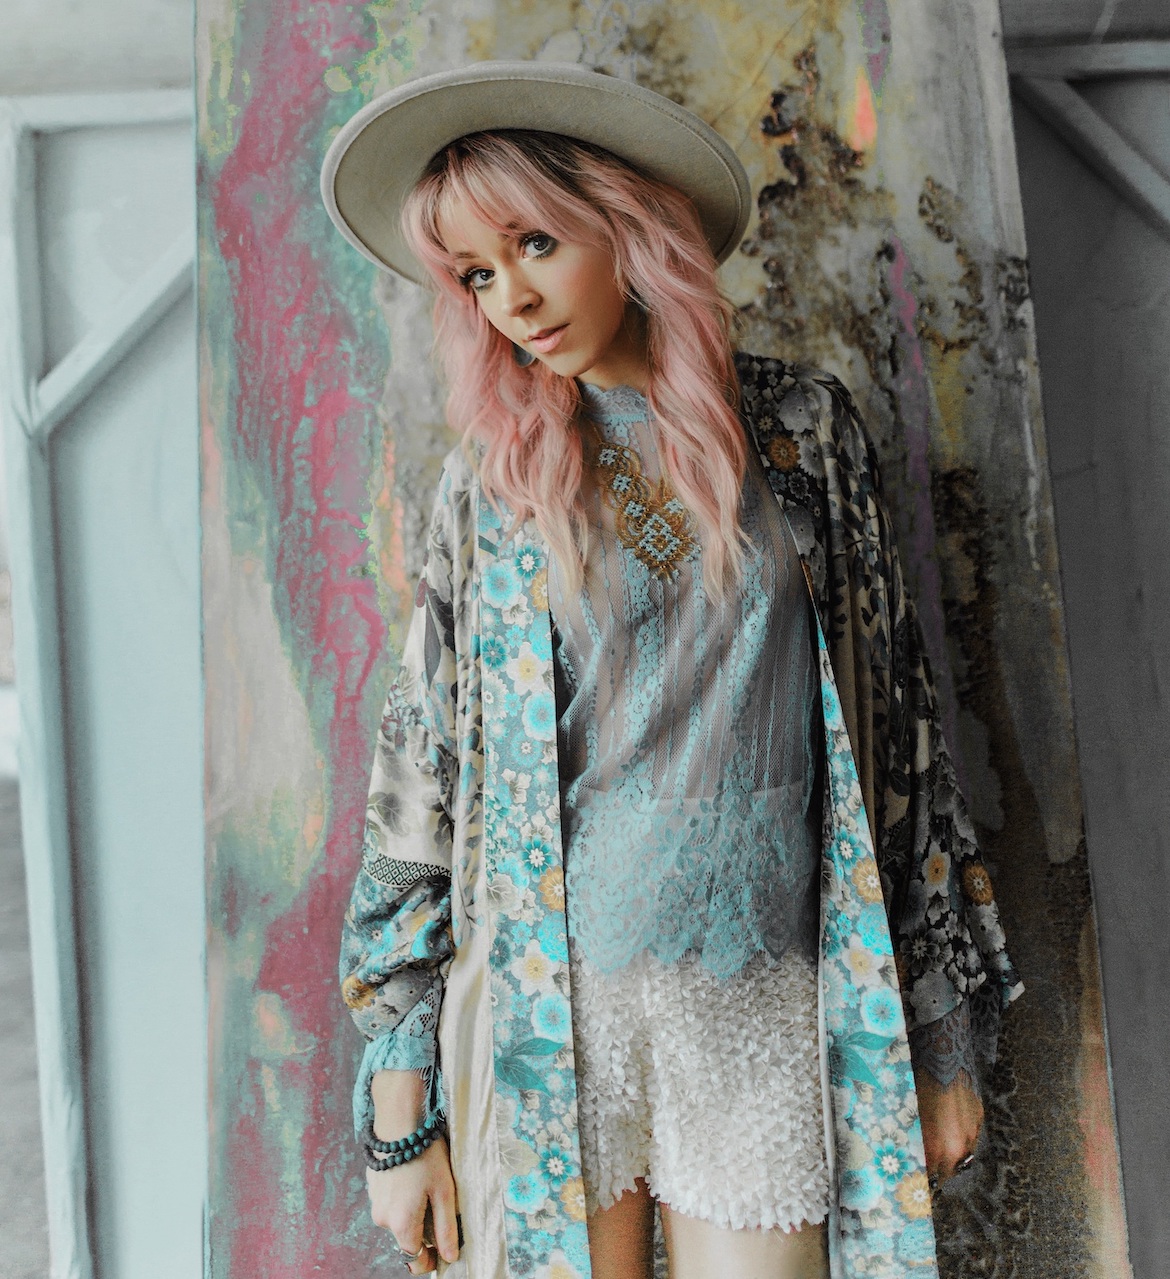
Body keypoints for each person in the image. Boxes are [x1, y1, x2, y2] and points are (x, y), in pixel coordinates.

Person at [321, 61, 1024, 1279]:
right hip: (556, 1012)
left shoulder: (802, 434)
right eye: (477, 274)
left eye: (535, 243)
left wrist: (940, 1034)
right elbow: (418, 786)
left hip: (764, 994)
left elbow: (898, 734)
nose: (512, 298)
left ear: (626, 223)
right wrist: (401, 1120)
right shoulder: (492, 486)